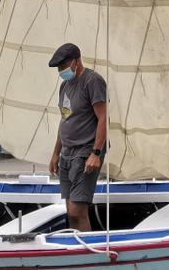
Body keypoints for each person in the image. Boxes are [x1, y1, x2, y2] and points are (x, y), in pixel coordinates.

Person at [47, 42, 108, 232]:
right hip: (67, 152)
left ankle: (87, 252)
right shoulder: (65, 85)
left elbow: (103, 118)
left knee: (77, 210)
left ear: (76, 61)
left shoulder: (92, 81)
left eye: (64, 66)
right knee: (69, 210)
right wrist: (55, 153)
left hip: (85, 151)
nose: (62, 71)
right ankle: (76, 246)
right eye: (59, 68)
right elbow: (65, 119)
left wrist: (96, 153)